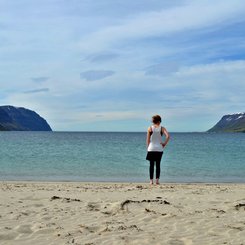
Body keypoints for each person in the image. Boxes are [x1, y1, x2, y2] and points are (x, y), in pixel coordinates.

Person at [146, 115, 170, 185]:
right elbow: (168, 136)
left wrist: (148, 148)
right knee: (158, 165)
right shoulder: (162, 128)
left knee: (151, 165)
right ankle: (157, 181)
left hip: (151, 148)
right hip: (159, 149)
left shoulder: (150, 128)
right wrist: (164, 144)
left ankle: (151, 181)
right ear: (159, 121)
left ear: (154, 121)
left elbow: (147, 140)